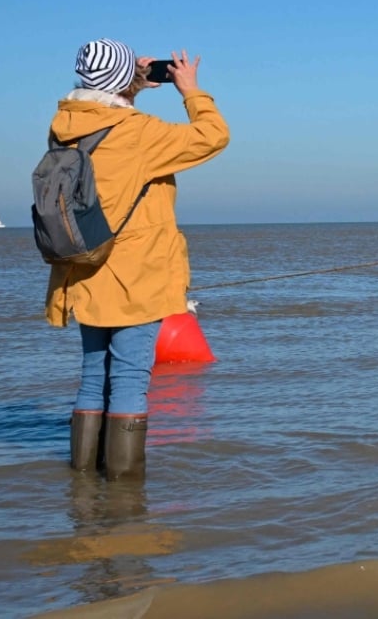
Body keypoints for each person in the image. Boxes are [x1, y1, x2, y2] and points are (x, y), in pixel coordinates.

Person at [49, 38, 229, 480]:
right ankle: (125, 493)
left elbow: (106, 120)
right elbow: (213, 136)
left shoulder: (64, 128)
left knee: (94, 376)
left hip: (84, 268)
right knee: (130, 378)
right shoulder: (141, 133)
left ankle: (83, 483)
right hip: (135, 275)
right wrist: (190, 90)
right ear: (123, 81)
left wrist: (129, 86)